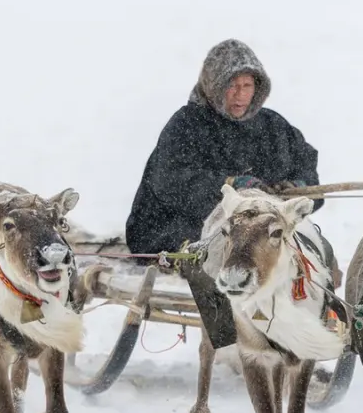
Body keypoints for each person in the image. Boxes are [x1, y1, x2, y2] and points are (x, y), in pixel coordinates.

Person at [124, 39, 322, 255]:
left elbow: (307, 170)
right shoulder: (186, 124)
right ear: (215, 87)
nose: (241, 95)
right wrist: (230, 186)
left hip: (259, 235)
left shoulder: (273, 126)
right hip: (177, 230)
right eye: (232, 86)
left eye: (247, 86)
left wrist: (295, 188)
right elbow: (171, 181)